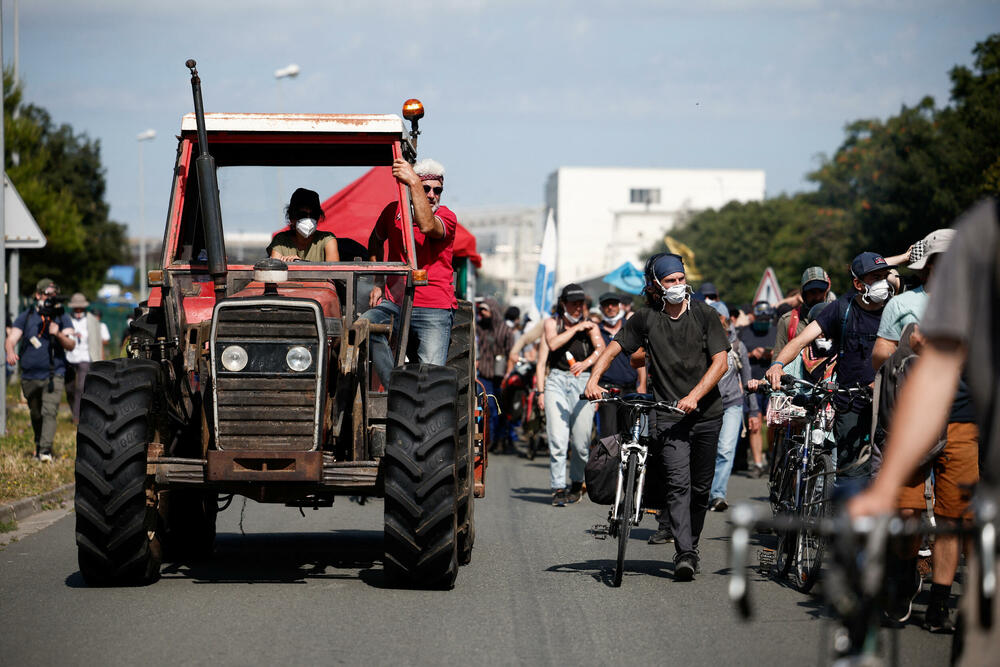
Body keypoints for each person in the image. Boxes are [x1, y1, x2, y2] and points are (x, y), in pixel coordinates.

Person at [849, 199, 997, 664]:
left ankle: (937, 603)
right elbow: (878, 357)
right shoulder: (903, 303)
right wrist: (907, 347)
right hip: (910, 422)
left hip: (964, 422)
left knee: (955, 518)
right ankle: (905, 573)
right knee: (908, 512)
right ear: (932, 265)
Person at [585, 253, 729, 580]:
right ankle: (685, 553)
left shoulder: (705, 315)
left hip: (707, 414)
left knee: (701, 488)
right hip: (668, 417)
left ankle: (690, 542)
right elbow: (613, 348)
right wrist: (593, 380)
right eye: (670, 281)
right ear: (656, 286)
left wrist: (694, 397)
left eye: (681, 279)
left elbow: (720, 362)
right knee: (678, 483)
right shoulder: (645, 318)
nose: (678, 286)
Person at [766, 252, 892, 485]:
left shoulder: (894, 309)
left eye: (886, 276)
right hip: (851, 405)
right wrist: (777, 365)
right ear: (858, 283)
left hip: (887, 404)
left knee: (889, 475)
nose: (884, 283)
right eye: (876, 277)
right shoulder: (841, 309)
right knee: (852, 477)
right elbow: (800, 341)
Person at [362, 158, 457, 388]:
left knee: (430, 381)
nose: (432, 195)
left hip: (434, 307)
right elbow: (375, 241)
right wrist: (378, 281)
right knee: (364, 326)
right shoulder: (392, 212)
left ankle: (422, 410)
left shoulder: (446, 217)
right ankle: (396, 389)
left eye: (438, 190)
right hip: (396, 302)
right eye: (426, 188)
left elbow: (427, 225)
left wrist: (414, 181)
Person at [543, 284, 605, 507]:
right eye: (574, 303)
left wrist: (586, 363)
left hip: (583, 382)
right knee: (558, 439)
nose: (578, 308)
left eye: (581, 303)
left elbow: (601, 349)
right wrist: (575, 329)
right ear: (564, 304)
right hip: (557, 381)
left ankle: (577, 483)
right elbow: (552, 343)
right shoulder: (553, 323)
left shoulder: (591, 326)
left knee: (581, 442)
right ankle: (558, 487)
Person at [5, 279, 76, 461]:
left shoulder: (62, 317)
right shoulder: (26, 316)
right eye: (47, 295)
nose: (50, 299)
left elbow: (71, 344)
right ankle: (39, 443)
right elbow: (12, 338)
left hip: (54, 373)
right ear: (38, 295)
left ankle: (45, 451)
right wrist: (10, 351)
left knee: (50, 411)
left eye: (54, 295)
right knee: (35, 413)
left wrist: (58, 334)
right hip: (29, 375)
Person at [706, 300, 756, 512]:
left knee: (725, 450)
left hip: (732, 404)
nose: (716, 322)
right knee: (705, 451)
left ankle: (717, 494)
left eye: (719, 318)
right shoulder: (701, 342)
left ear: (726, 320)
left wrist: (753, 410)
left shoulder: (737, 345)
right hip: (705, 405)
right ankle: (701, 491)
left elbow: (748, 380)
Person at [595, 292, 647, 439]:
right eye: (606, 305)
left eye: (613, 304)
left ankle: (626, 463)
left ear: (619, 306)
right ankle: (610, 462)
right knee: (609, 436)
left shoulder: (630, 327)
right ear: (601, 308)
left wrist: (641, 384)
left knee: (629, 434)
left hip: (630, 387)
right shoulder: (596, 330)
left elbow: (639, 358)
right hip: (607, 388)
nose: (610, 307)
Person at [740, 300, 777, 477]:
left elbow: (784, 352)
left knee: (772, 423)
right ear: (754, 317)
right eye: (761, 318)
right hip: (751, 384)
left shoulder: (776, 331)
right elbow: (736, 355)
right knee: (754, 423)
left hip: (771, 383)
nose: (764, 321)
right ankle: (757, 463)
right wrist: (751, 353)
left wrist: (770, 354)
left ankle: (771, 457)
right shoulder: (745, 333)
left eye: (767, 318)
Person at [476, 297, 516, 453]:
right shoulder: (479, 327)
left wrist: (508, 373)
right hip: (484, 375)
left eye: (485, 310)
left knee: (501, 410)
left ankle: (500, 439)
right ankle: (488, 440)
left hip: (501, 377)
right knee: (487, 408)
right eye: (481, 310)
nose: (482, 313)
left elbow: (511, 352)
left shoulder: (505, 330)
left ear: (493, 310)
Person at [64, 293, 108, 425]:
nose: (78, 311)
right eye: (75, 308)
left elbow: (98, 341)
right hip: (69, 357)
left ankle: (78, 418)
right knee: (70, 388)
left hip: (85, 357)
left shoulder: (92, 320)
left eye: (80, 308)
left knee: (81, 388)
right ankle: (74, 411)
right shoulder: (66, 319)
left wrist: (100, 358)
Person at [266, 188, 340, 262]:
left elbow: (333, 272)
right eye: (302, 215)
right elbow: (275, 271)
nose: (309, 219)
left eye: (314, 215)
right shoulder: (280, 241)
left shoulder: (327, 240)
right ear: (292, 217)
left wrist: (301, 264)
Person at [773, 266, 831, 359]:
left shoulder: (838, 317)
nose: (817, 297)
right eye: (812, 292)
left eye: (821, 291)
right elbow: (777, 361)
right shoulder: (788, 321)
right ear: (803, 294)